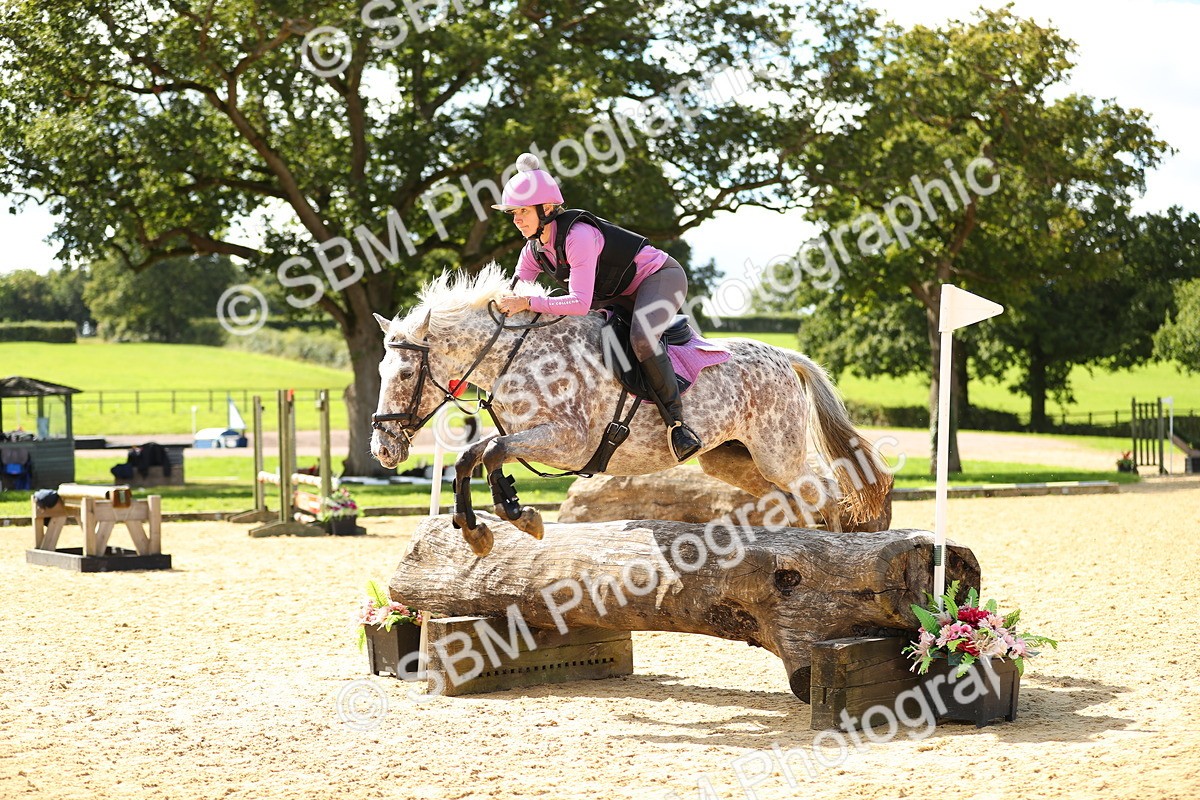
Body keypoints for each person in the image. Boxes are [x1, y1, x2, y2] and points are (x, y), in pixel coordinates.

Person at [494, 153, 703, 461]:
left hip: (659, 279)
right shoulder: (532, 250)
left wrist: (527, 301)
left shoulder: (578, 236)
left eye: (523, 211)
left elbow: (579, 303)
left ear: (547, 209)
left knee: (641, 339)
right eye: (513, 213)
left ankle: (677, 424)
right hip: (618, 296)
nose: (517, 220)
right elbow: (513, 294)